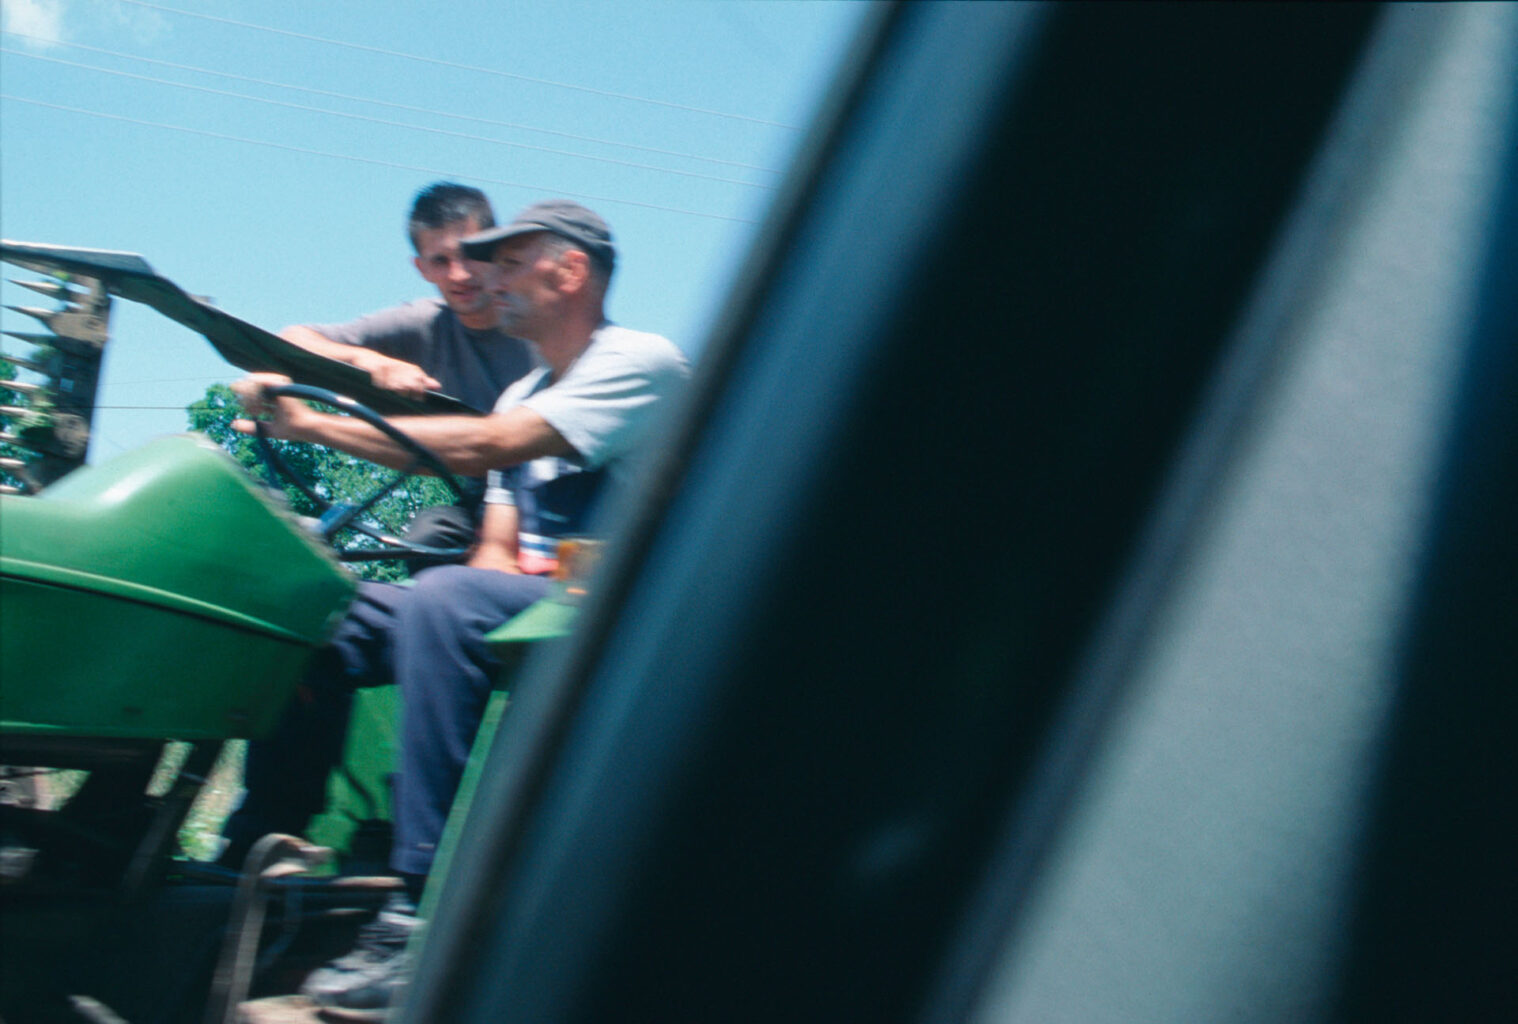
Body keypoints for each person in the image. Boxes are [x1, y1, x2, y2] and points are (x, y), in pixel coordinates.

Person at [223, 200, 690, 1016]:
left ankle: (417, 910)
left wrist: (317, 428)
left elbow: (493, 447)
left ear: (569, 270)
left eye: (509, 263)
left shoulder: (638, 361)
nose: (486, 281)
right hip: (538, 604)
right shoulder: (525, 383)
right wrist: (439, 612)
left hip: (632, 617)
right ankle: (262, 848)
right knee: (327, 606)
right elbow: (496, 550)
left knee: (445, 597)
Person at [280, 181, 536, 554]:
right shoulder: (423, 324)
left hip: (557, 492)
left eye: (470, 255)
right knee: (428, 536)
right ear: (421, 268)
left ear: (496, 249)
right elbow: (293, 339)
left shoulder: (538, 323)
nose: (460, 274)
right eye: (441, 261)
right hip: (485, 497)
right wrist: (367, 359)